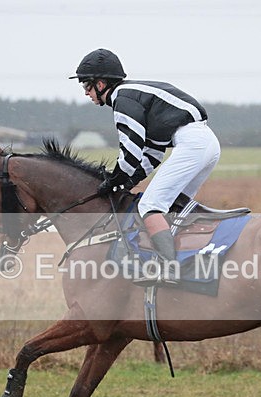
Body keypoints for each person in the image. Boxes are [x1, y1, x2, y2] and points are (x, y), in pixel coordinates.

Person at [70, 48, 221, 284]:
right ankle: (187, 261)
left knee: (150, 206)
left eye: (86, 85)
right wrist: (129, 181)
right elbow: (152, 153)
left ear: (100, 84)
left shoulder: (122, 99)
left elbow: (130, 150)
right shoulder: (134, 96)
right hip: (205, 143)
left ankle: (168, 269)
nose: (86, 93)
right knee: (174, 206)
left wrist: (115, 180)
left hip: (193, 144)